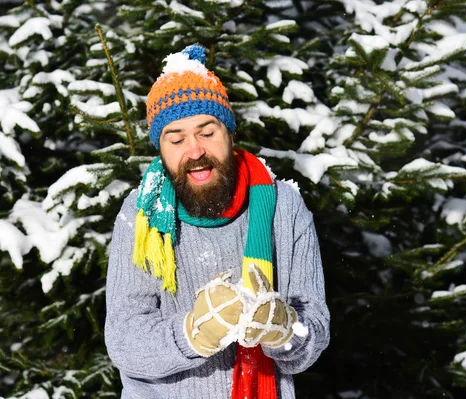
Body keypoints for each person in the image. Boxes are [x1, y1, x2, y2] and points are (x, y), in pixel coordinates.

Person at [104, 44, 330, 399]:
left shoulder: (283, 207)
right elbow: (123, 341)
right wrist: (192, 333)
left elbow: (314, 332)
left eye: (207, 133)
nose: (194, 151)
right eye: (176, 139)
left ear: (229, 133)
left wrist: (285, 331)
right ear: (161, 150)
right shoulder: (142, 215)